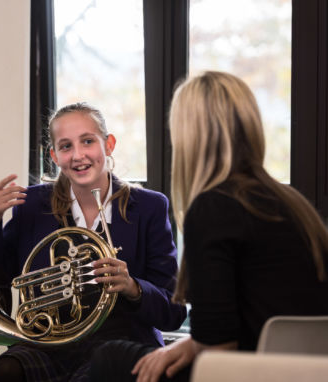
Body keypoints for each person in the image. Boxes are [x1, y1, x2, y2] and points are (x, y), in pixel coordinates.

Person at [89, 71, 328, 382]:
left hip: (249, 371)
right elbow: (254, 316)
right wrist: (190, 345)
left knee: (109, 358)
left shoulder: (214, 208)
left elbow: (220, 350)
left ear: (189, 137)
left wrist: (194, 346)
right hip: (301, 369)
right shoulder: (289, 199)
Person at [0, 102, 187, 381]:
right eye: (66, 146)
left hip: (122, 340)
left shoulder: (149, 207)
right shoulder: (33, 204)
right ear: (54, 156)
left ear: (109, 144)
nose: (78, 155)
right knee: (7, 370)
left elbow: (174, 310)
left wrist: (133, 287)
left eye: (87, 141)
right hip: (51, 342)